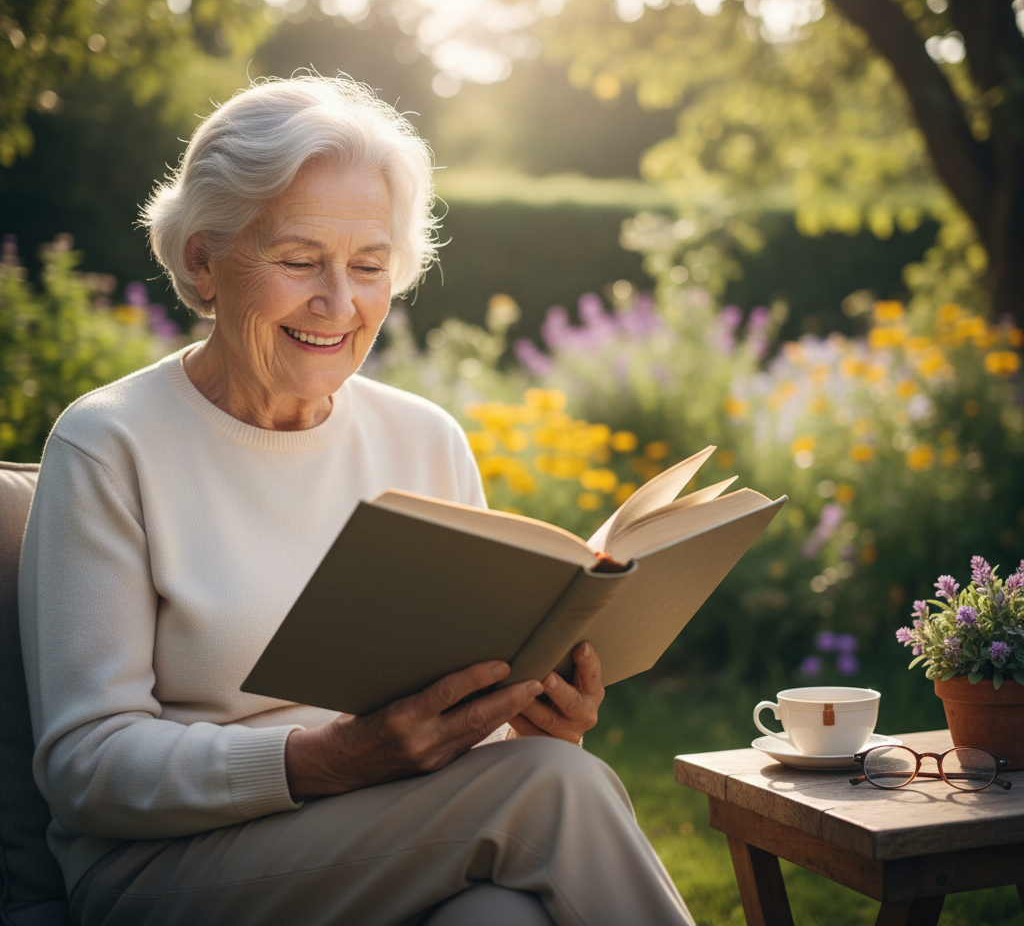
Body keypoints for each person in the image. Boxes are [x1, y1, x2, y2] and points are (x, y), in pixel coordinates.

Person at [18, 76, 695, 926]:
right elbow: (87, 767)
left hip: (388, 831)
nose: (339, 304)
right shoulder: (110, 444)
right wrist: (327, 759)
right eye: (300, 261)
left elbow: (468, 737)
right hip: (163, 866)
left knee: (502, 916)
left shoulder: (424, 439)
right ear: (202, 260)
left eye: (369, 267)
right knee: (554, 790)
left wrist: (531, 721)